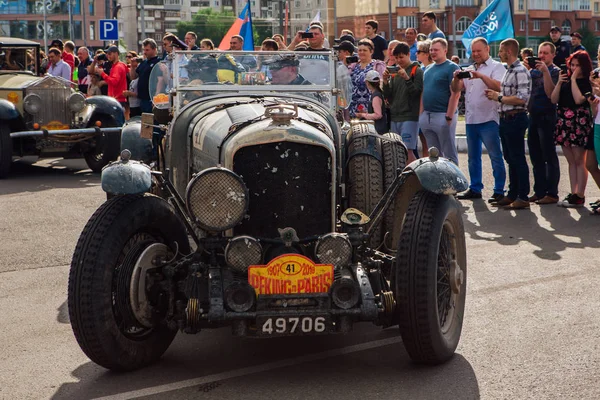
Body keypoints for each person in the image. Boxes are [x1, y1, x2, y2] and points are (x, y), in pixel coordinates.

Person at [452, 38, 507, 202]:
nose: (475, 54)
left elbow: (499, 86)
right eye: (473, 51)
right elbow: (456, 90)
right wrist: (456, 78)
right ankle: (475, 188)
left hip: (489, 119)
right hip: (471, 119)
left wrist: (481, 76)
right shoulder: (468, 68)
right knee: (472, 157)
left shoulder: (496, 67)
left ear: (487, 49)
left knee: (495, 156)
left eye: (478, 51)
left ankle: (499, 190)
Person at [484, 38, 532, 210]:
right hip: (506, 118)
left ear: (509, 51)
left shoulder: (520, 70)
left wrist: (498, 97)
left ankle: (523, 196)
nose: (499, 53)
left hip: (515, 118)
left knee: (517, 158)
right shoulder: (509, 70)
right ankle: (512, 194)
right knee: (510, 158)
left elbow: (522, 98)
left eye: (501, 50)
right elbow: (509, 95)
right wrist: (497, 94)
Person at [550, 50, 594, 207]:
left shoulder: (586, 82)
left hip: (578, 121)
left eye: (577, 66)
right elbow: (553, 99)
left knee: (579, 160)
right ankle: (573, 192)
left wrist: (574, 78)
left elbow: (577, 100)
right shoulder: (566, 80)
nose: (574, 68)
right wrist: (560, 82)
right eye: (572, 65)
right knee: (570, 161)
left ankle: (580, 195)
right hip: (563, 120)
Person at [526, 42, 561, 205]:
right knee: (535, 156)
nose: (542, 56)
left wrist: (546, 71)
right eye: (540, 53)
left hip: (547, 117)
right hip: (533, 116)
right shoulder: (533, 71)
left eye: (546, 53)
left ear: (553, 55)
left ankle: (552, 193)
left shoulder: (555, 71)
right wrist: (526, 70)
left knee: (549, 155)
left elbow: (550, 94)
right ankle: (539, 191)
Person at [419, 38, 460, 164]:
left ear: (445, 50)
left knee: (449, 153)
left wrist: (449, 116)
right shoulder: (428, 68)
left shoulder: (451, 67)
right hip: (427, 116)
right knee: (434, 154)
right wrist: (421, 115)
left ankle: (454, 182)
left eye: (436, 50)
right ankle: (438, 182)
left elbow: (456, 92)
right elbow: (423, 92)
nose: (433, 52)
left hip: (443, 115)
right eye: (431, 50)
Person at [383, 42, 423, 162]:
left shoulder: (417, 70)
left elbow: (417, 93)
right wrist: (385, 82)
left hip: (410, 116)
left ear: (408, 54)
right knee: (398, 151)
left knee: (408, 151)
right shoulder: (395, 72)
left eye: (401, 57)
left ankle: (416, 178)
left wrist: (406, 78)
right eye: (396, 58)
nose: (399, 60)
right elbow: (388, 96)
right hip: (395, 116)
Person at [348, 39, 386, 118]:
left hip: (370, 104)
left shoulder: (378, 65)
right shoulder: (353, 66)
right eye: (360, 50)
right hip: (354, 105)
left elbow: (382, 85)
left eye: (365, 50)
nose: (361, 52)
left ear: (371, 52)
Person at [131, 38, 160, 113]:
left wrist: (156, 99)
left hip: (151, 99)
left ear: (154, 49)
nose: (144, 52)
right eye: (144, 50)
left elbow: (160, 80)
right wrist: (132, 66)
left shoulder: (158, 62)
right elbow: (133, 77)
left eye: (147, 50)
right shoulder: (144, 63)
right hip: (141, 99)